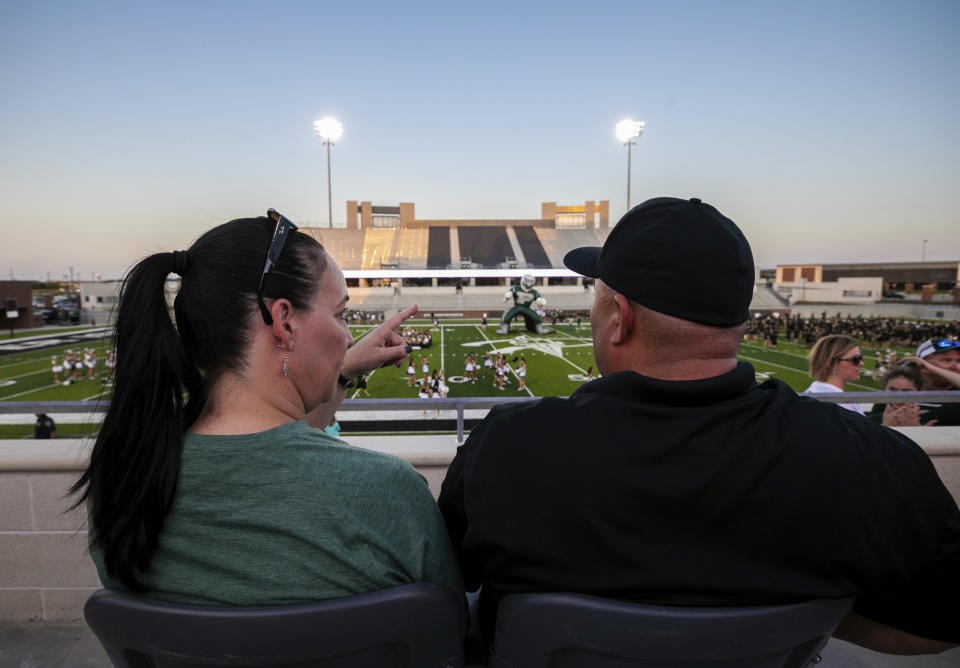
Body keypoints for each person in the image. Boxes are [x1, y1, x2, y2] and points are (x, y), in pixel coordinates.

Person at [438, 197, 959, 653]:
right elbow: (941, 627)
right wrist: (807, 619)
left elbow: (445, 601)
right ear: (737, 320)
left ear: (620, 317)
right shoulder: (870, 457)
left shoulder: (506, 447)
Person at [71, 209, 463, 608]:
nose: (347, 336)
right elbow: (450, 620)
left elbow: (271, 452)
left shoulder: (120, 479)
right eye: (341, 314)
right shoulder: (385, 490)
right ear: (284, 322)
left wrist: (340, 374)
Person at [803, 334, 866, 415]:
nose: (861, 363)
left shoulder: (813, 391)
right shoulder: (844, 406)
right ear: (830, 363)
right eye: (856, 359)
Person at [907, 339, 960, 426]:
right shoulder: (899, 390)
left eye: (959, 361)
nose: (957, 367)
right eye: (947, 360)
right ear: (923, 366)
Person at [867, 363, 933, 427]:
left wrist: (920, 432)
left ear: (917, 392)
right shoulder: (880, 407)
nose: (898, 396)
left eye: (906, 391)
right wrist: (885, 426)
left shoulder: (927, 414)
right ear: (885, 389)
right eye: (893, 389)